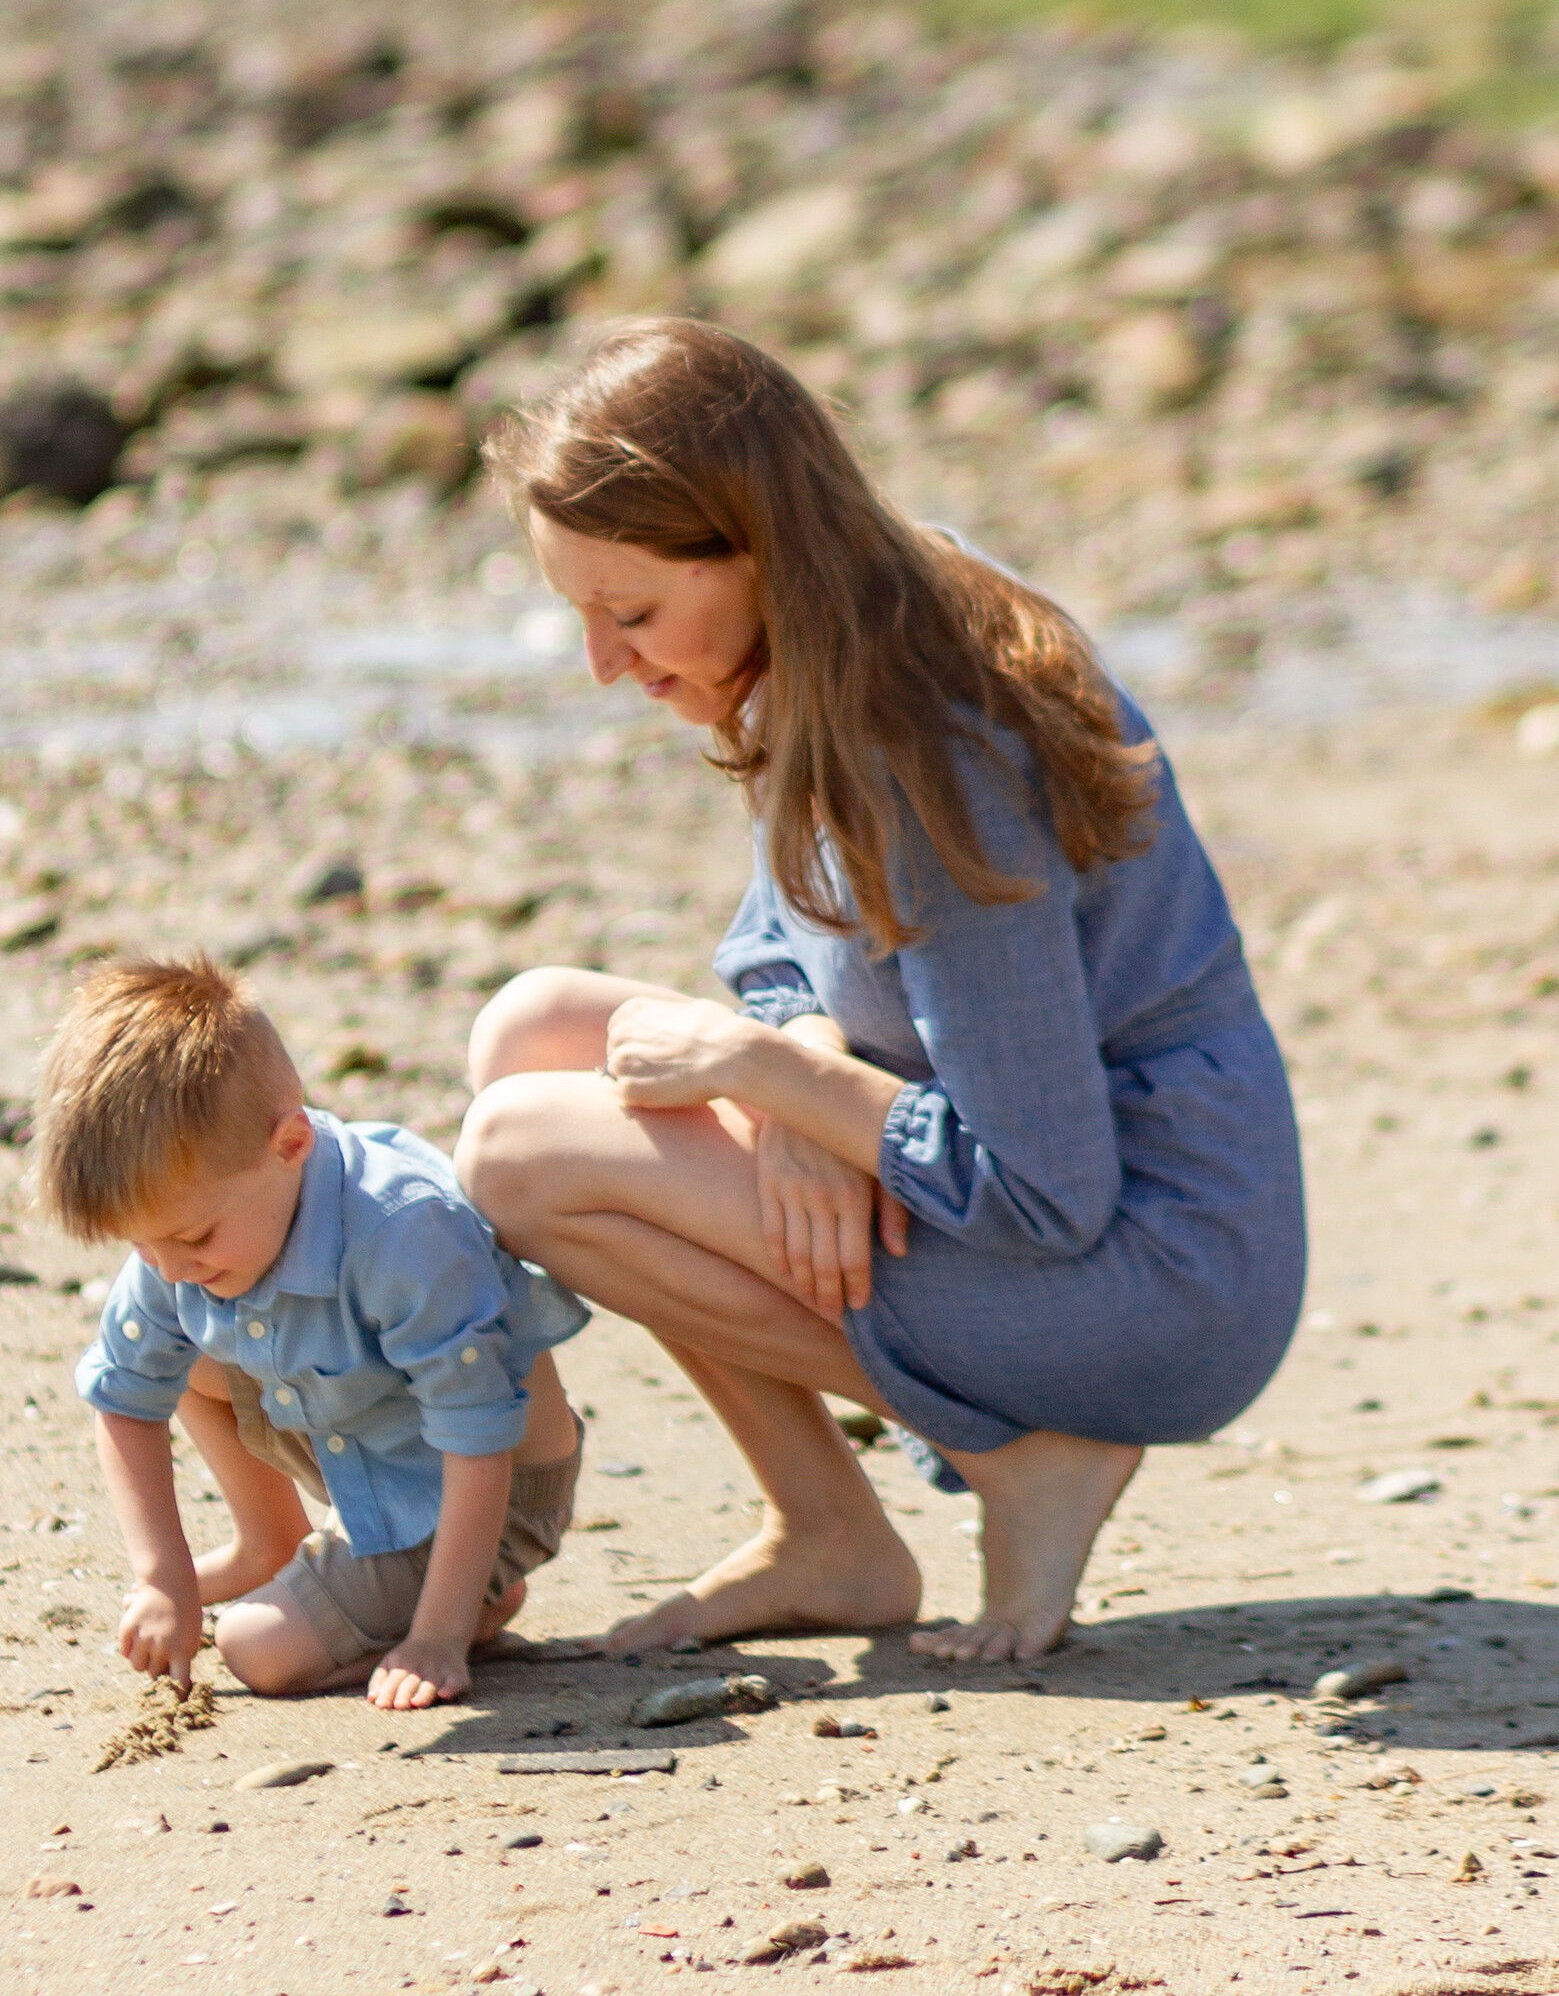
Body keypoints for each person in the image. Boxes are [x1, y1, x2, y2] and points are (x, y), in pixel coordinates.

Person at [455, 318, 1304, 1665]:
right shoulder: (857, 615)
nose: (605, 665)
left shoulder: (930, 749)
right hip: (1055, 1184)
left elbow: (1044, 1191)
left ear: (758, 548)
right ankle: (828, 1533)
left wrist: (783, 1080)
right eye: (582, 615)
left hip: (1158, 1267)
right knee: (535, 1026)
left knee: (519, 1158)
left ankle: (1030, 1455)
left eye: (632, 613)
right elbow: (771, 938)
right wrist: (793, 1050)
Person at [42, 952, 586, 1710]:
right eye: (142, 1246)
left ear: (291, 1146)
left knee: (256, 1650)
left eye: (194, 1238)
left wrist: (440, 1632)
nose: (168, 1268)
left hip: (480, 1488)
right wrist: (162, 1574)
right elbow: (125, 1396)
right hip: (364, 1437)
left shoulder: (403, 1233)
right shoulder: (189, 1240)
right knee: (188, 1354)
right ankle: (270, 1540)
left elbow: (480, 1432)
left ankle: (472, 1592)